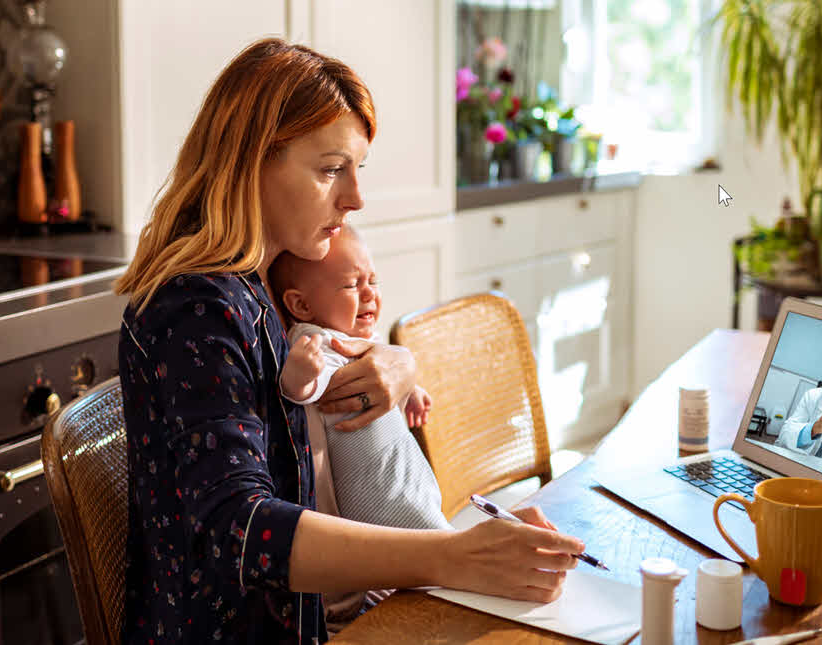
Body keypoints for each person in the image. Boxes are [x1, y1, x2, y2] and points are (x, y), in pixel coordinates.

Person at [114, 38, 584, 644]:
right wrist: (456, 557)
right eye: (331, 168)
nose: (355, 196)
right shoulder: (198, 311)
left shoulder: (256, 287)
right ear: (253, 160)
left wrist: (394, 361)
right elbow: (240, 527)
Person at [270, 226, 452, 531]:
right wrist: (300, 376)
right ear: (302, 306)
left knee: (431, 526)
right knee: (428, 541)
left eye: (372, 281)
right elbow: (303, 392)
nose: (370, 293)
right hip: (375, 496)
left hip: (400, 478)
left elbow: (382, 375)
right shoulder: (318, 341)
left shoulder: (354, 335)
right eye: (351, 285)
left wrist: (410, 390)